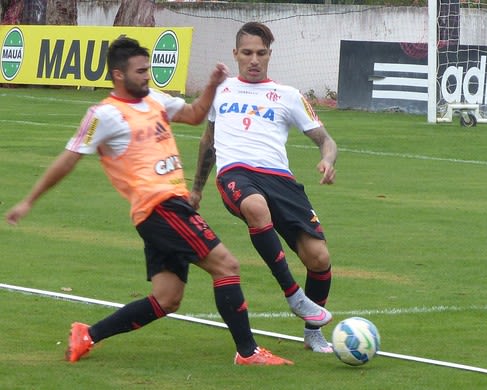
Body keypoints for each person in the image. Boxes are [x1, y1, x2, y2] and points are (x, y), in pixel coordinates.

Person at [4, 37, 293, 366]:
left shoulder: (154, 99)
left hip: (170, 207)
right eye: (140, 72)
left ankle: (88, 334)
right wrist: (29, 200)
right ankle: (248, 352)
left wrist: (212, 85)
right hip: (160, 208)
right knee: (227, 266)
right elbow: (68, 159)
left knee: (167, 299)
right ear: (118, 75)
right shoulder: (105, 115)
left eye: (148, 70)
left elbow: (195, 114)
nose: (147, 77)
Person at [189, 22, 337, 353]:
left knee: (319, 257)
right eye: (247, 53)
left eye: (261, 53)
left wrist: (328, 160)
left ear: (270, 54)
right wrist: (196, 188)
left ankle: (313, 334)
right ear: (235, 54)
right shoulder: (222, 90)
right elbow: (208, 142)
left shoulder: (289, 95)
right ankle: (293, 296)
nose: (254, 60)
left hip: (280, 181)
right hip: (236, 174)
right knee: (256, 207)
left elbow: (326, 140)